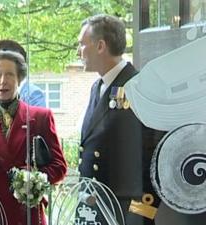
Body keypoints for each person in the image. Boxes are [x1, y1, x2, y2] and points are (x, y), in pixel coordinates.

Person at [0, 40, 67, 225]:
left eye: (9, 75)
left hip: (27, 215)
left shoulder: (41, 117)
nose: (2, 81)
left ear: (19, 78)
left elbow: (59, 168)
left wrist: (33, 178)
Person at [77, 14, 164, 225]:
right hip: (94, 207)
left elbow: (154, 157)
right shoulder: (97, 87)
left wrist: (140, 213)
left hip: (123, 212)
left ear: (100, 46)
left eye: (82, 45)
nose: (79, 52)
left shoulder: (139, 87)